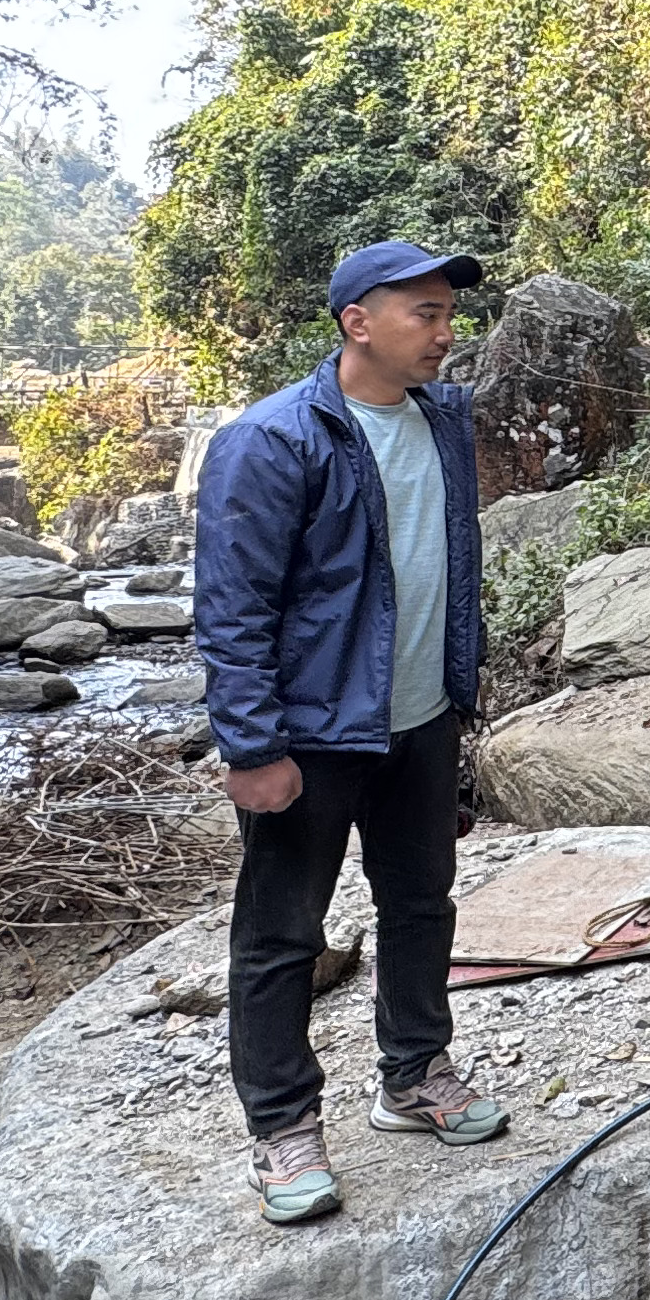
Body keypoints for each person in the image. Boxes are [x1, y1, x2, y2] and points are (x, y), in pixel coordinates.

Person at [192, 239, 513, 1227]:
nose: (445, 332)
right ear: (356, 322)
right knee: (284, 933)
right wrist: (251, 747)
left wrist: (463, 693)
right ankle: (283, 1125)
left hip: (420, 719)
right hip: (315, 731)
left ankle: (413, 1074)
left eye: (448, 314)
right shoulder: (276, 440)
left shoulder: (439, 421)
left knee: (421, 904)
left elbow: (445, 567)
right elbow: (232, 606)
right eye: (424, 313)